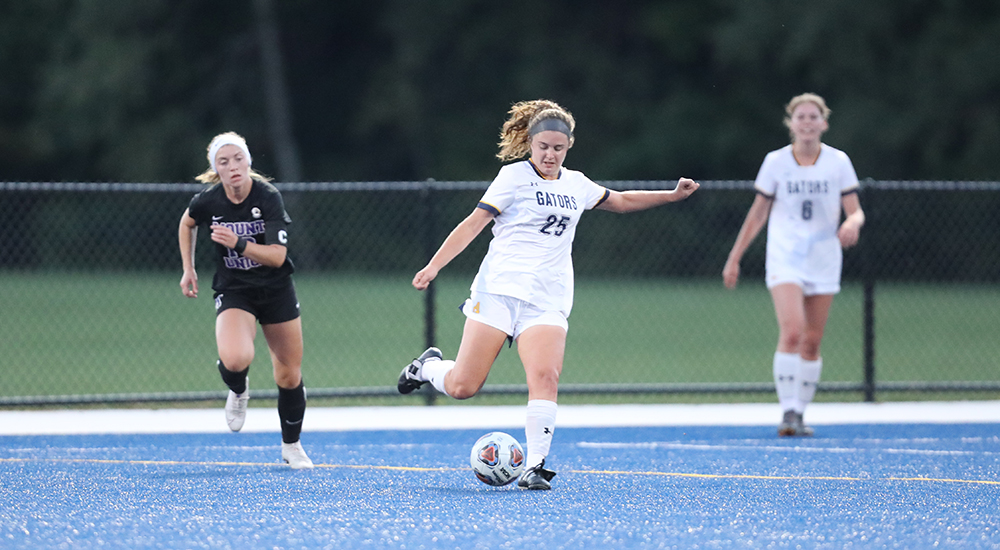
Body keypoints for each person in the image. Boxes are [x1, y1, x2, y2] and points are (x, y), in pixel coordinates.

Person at [397, 99, 699, 489]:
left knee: (546, 375)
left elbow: (621, 201)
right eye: (543, 147)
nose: (550, 154)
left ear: (569, 146)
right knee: (462, 387)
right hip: (499, 292)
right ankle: (427, 368)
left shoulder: (576, 184)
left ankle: (535, 465)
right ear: (531, 143)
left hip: (547, 300)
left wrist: (671, 195)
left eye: (558, 148)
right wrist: (434, 265)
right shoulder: (513, 176)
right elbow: (474, 224)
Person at [722, 93, 865, 437]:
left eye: (813, 116)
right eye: (800, 116)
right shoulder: (776, 162)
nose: (807, 122)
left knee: (812, 341)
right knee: (793, 332)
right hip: (785, 256)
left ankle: (800, 413)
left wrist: (852, 223)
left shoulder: (838, 162)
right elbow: (758, 214)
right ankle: (787, 411)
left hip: (824, 258)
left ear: (823, 123)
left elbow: (855, 209)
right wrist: (735, 257)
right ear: (791, 123)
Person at [178, 131, 313, 469]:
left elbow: (278, 256)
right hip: (235, 289)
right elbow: (187, 221)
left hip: (276, 290)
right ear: (216, 170)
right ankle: (238, 389)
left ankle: (291, 445)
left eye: (238, 159)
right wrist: (188, 268)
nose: (233, 166)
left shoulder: (267, 196)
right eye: (224, 162)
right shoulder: (209, 200)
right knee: (236, 358)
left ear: (248, 162)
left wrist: (239, 243)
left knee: (288, 374)